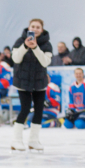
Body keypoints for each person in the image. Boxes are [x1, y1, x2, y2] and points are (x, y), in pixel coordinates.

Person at [11, 18, 52, 151]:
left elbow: (45, 62)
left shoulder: (47, 44)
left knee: (39, 111)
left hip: (39, 82)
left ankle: (33, 141)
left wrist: (35, 48)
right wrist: (25, 46)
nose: (35, 29)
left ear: (42, 29)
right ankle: (16, 140)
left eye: (38, 27)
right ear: (29, 28)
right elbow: (16, 59)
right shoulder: (19, 41)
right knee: (25, 109)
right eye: (33, 26)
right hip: (23, 81)